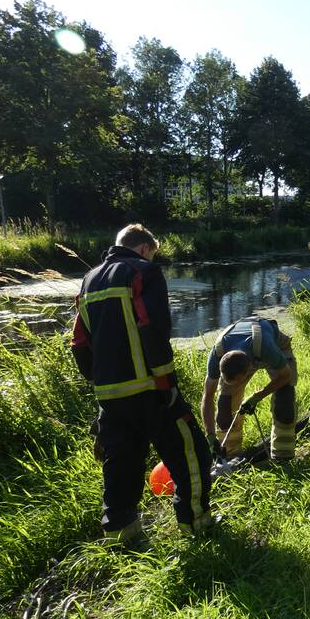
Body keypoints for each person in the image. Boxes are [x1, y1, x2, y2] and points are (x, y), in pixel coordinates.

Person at [71, 224, 212, 545]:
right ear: (145, 248)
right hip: (149, 388)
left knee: (120, 463)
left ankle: (122, 535)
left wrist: (100, 380)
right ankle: (198, 526)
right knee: (191, 452)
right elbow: (153, 328)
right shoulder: (144, 272)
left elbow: (79, 343)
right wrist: (167, 384)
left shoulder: (89, 280)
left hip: (109, 394)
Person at [201, 316, 298, 461]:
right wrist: (209, 435)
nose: (234, 385)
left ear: (249, 370)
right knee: (225, 405)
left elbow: (285, 376)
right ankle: (229, 458)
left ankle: (283, 458)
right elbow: (208, 397)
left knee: (285, 401)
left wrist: (258, 396)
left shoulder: (267, 349)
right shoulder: (217, 354)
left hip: (273, 344)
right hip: (243, 353)